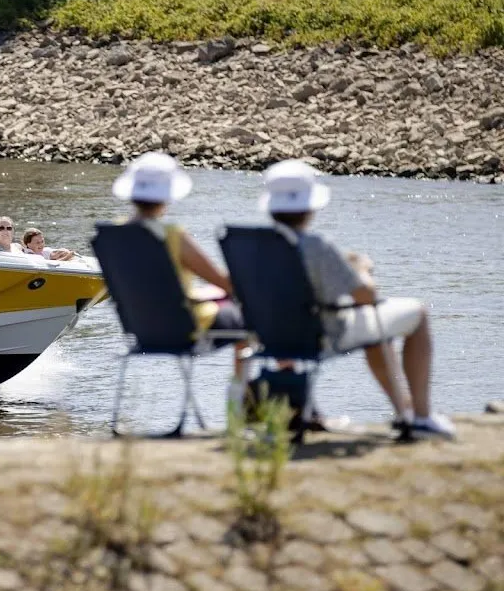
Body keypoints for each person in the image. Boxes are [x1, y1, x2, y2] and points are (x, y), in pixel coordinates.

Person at [259, 158, 455, 439]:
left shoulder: (256, 246)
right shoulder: (316, 245)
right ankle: (420, 416)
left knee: (378, 331)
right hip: (324, 333)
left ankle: (404, 410)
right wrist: (362, 268)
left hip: (275, 336)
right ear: (310, 207)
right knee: (418, 313)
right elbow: (366, 296)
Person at [112, 152, 246, 378]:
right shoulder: (172, 235)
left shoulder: (113, 234)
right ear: (167, 196)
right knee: (251, 314)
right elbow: (225, 283)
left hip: (140, 329)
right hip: (186, 329)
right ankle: (243, 399)